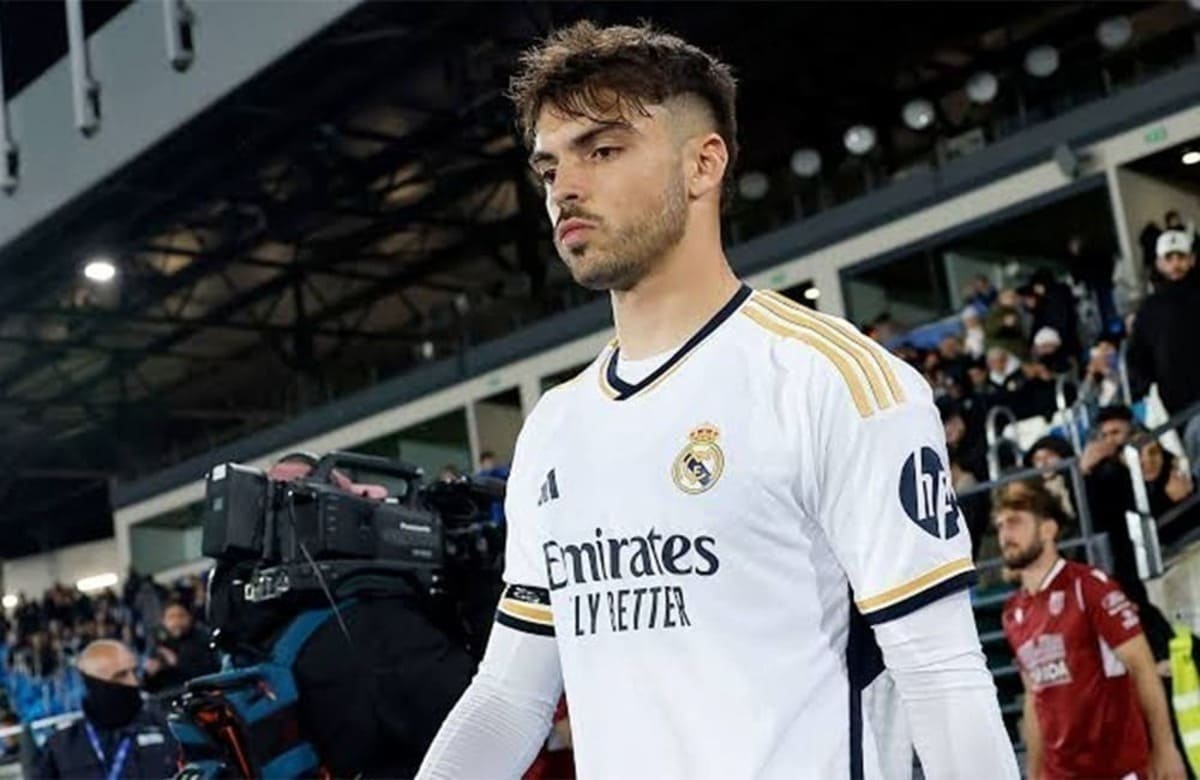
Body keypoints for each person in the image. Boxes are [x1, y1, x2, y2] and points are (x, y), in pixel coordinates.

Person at [418, 20, 1017, 780]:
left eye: (602, 150)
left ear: (704, 165)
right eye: (548, 168)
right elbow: (508, 698)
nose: (565, 188)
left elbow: (942, 677)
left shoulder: (832, 380)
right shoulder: (553, 430)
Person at [996, 482, 1187, 780]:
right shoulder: (1013, 613)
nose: (1005, 534)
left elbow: (1143, 667)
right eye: (1001, 525)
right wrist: (1034, 774)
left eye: (1016, 522)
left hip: (1118, 768)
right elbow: (1034, 699)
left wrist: (1165, 748)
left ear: (1048, 529)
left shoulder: (1089, 586)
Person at [36, 640, 177, 779]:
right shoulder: (61, 747)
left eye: (134, 672)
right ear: (94, 684)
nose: (133, 682)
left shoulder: (167, 729)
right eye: (121, 676)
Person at [1128, 230, 1200, 472]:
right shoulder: (1149, 309)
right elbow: (1138, 356)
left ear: (1192, 259)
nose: (1175, 264)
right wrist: (1146, 389)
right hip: (1177, 403)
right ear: (1159, 263)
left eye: (1181, 257)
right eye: (1169, 258)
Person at [142, 601, 219, 694]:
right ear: (163, 621)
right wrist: (149, 674)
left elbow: (209, 672)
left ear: (189, 617)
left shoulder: (202, 638)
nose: (176, 622)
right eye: (171, 617)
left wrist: (177, 662)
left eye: (181, 616)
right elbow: (148, 687)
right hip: (167, 697)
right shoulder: (159, 643)